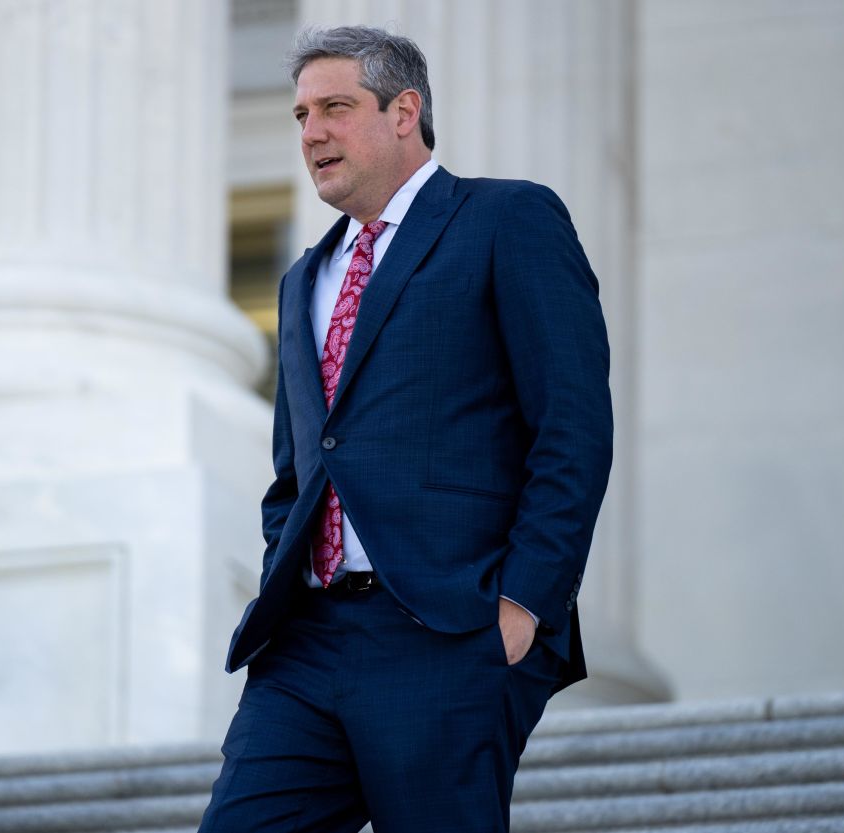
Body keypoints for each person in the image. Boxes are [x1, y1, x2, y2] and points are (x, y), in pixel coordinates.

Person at [199, 25, 613, 833]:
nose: (312, 131)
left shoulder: (507, 219)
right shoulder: (302, 279)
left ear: (404, 111)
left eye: (335, 107)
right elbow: (297, 469)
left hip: (449, 631)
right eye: (300, 115)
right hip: (307, 644)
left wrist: (523, 603)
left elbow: (572, 426)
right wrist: (284, 559)